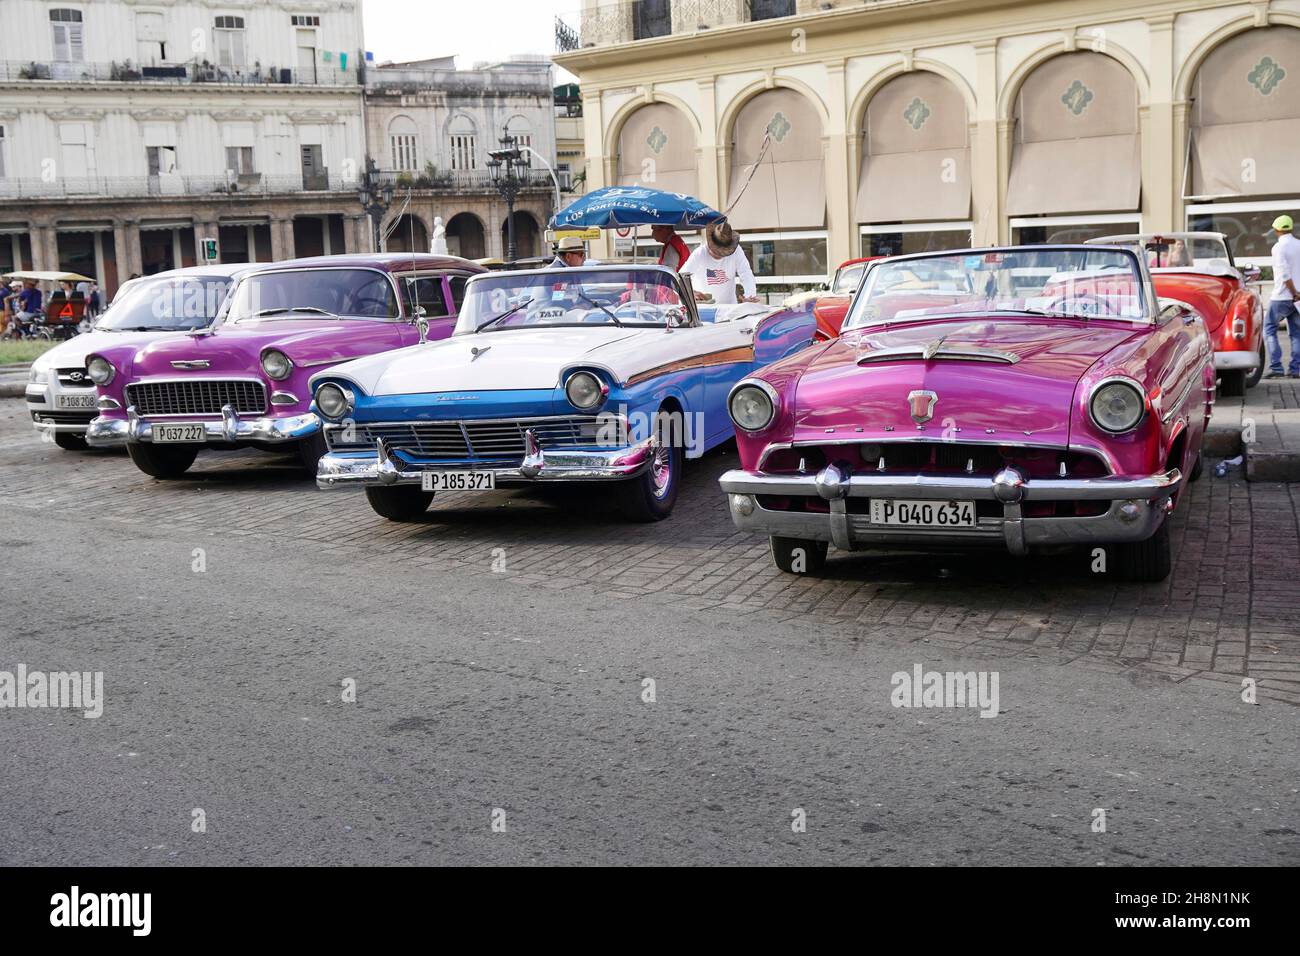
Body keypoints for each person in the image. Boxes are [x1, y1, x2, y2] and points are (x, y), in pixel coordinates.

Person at [680, 222, 759, 305]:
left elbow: (746, 274)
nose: (719, 255)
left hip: (729, 307)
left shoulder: (737, 251)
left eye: (723, 252)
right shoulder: (700, 253)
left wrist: (750, 296)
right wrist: (691, 292)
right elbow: (681, 278)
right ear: (710, 243)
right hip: (704, 308)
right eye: (716, 251)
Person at [1264, 214, 1300, 379]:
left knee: (1269, 329)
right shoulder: (1299, 244)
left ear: (1277, 230)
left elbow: (1285, 275)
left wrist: (1293, 293)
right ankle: (1296, 369)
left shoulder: (1278, 248)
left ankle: (1276, 368)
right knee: (1296, 333)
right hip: (1298, 297)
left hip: (1282, 296)